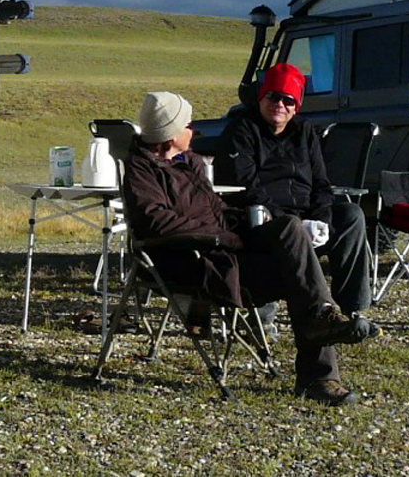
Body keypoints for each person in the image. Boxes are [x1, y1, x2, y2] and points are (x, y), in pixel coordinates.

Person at [120, 91, 377, 406]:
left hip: (224, 250)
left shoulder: (192, 163)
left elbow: (216, 210)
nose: (193, 131)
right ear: (171, 134)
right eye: (189, 125)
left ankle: (321, 321)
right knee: (301, 280)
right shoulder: (141, 170)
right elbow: (156, 223)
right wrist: (225, 237)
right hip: (193, 263)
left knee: (290, 229)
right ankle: (318, 376)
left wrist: (248, 219)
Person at [219, 64, 373, 318]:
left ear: (296, 105)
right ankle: (314, 314)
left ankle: (354, 309)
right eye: (273, 96)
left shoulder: (305, 131)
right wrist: (294, 224)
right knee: (286, 226)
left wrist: (320, 220)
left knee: (351, 215)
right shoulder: (241, 130)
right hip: (264, 220)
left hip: (306, 216)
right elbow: (246, 187)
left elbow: (322, 184)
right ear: (261, 98)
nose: (280, 104)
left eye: (288, 99)